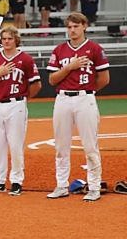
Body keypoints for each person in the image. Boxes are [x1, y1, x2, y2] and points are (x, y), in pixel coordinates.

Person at [46, 12, 110, 202]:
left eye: (76, 26)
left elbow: (104, 79)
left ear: (84, 26)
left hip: (85, 99)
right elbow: (52, 79)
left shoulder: (94, 49)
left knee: (90, 146)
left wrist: (88, 91)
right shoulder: (59, 50)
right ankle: (61, 185)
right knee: (61, 145)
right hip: (63, 98)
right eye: (70, 27)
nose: (72, 30)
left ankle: (94, 186)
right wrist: (69, 67)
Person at [0, 25, 41, 195]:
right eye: (4, 39)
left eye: (10, 38)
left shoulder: (26, 59)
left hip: (16, 104)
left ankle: (16, 181)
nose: (6, 41)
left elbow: (36, 84)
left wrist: (24, 98)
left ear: (16, 39)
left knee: (16, 145)